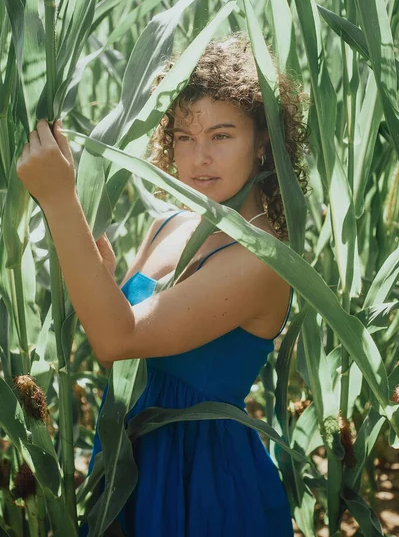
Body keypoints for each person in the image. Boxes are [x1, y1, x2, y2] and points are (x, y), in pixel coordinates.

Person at [16, 32, 309, 536]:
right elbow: (117, 360)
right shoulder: (169, 225)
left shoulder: (261, 259)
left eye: (221, 136)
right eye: (183, 137)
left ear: (263, 143)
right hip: (130, 462)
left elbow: (118, 336)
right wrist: (99, 276)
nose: (199, 158)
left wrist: (59, 198)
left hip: (199, 483)